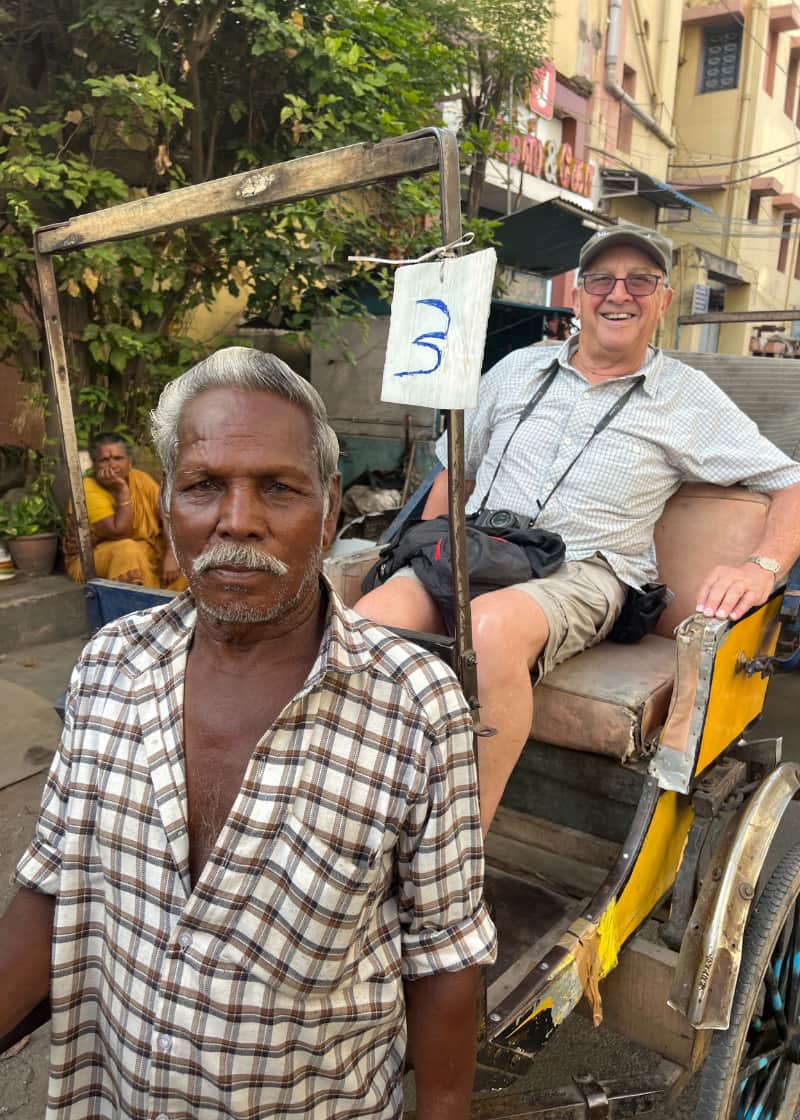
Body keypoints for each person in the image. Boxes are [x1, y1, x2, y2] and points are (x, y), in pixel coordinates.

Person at [0, 348, 496, 1120]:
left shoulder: (417, 706)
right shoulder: (109, 668)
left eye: (277, 488)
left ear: (330, 508)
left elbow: (445, 958)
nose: (237, 521)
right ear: (168, 505)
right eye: (204, 486)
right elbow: (53, 883)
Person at [356, 224, 800, 834]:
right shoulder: (515, 370)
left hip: (583, 572)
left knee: (489, 627)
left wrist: (762, 566)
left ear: (664, 300)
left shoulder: (686, 398)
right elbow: (456, 473)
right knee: (364, 630)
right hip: (478, 547)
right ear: (578, 296)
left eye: (640, 280)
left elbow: (790, 481)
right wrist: (419, 547)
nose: (619, 294)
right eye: (602, 280)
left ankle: (457, 856)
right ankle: (362, 817)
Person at [63, 432, 186, 590]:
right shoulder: (87, 489)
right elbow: (119, 531)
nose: (112, 465)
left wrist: (171, 553)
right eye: (104, 460)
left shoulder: (140, 479)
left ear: (129, 463)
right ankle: (132, 608)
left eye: (118, 458)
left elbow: (167, 514)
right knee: (126, 550)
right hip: (94, 559)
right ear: (94, 464)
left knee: (187, 551)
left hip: (147, 552)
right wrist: (122, 490)